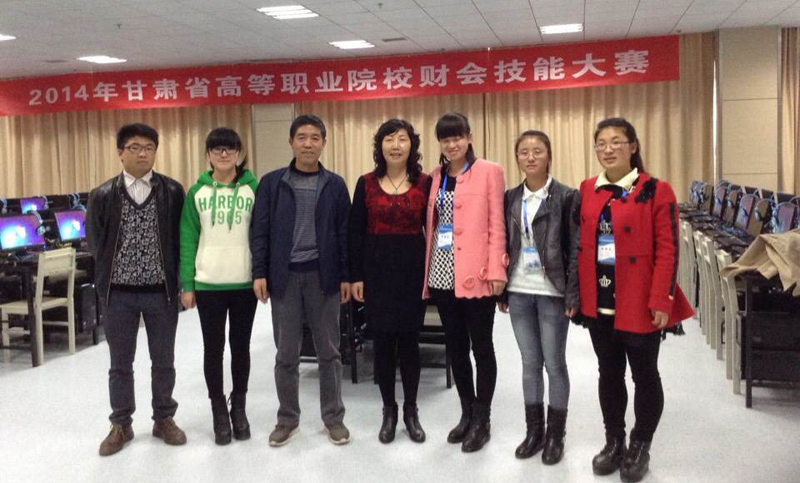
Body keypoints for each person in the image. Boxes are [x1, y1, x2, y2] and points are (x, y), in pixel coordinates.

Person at [576, 118, 693, 482]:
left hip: (639, 301)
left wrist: (662, 299)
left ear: (633, 146)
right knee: (608, 373)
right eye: (601, 143)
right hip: (599, 301)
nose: (608, 149)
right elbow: (580, 246)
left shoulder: (656, 189)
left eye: (616, 142)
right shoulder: (588, 188)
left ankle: (641, 443)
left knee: (644, 375)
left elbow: (668, 249)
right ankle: (614, 440)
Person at [250, 114, 352, 446]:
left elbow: (344, 234)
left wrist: (346, 276)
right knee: (286, 354)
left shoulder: (334, 185)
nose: (308, 144)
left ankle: (333, 417)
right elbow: (260, 231)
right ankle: (287, 419)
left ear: (324, 143)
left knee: (330, 353)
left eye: (315, 138)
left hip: (323, 277)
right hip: (285, 278)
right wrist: (259, 272)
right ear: (291, 142)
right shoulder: (272, 183)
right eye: (302, 137)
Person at [87, 123, 186, 456]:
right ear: (120, 153)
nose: (143, 153)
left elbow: (180, 239)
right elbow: (95, 243)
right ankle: (121, 424)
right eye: (134, 147)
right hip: (118, 294)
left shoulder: (172, 191)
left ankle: (163, 418)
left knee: (164, 360)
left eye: (148, 147)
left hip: (161, 292)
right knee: (120, 364)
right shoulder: (102, 195)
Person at [422, 112, 507, 453]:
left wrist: (498, 269)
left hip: (477, 273)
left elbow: (497, 224)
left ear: (469, 137)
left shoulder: (489, 171)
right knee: (455, 347)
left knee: (481, 347)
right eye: (445, 139)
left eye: (457, 137)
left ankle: (482, 419)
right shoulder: (436, 176)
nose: (451, 144)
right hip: (442, 272)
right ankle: (466, 412)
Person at [498, 130, 580, 465]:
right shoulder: (510, 197)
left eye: (537, 151)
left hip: (551, 294)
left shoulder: (566, 196)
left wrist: (572, 294)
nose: (530, 157)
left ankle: (556, 436)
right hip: (519, 291)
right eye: (524, 152)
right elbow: (505, 244)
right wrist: (503, 288)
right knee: (529, 363)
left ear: (548, 155)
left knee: (554, 363)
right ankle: (535, 432)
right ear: (517, 157)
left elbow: (574, 249)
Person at [349, 119, 429, 444]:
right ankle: (389, 410)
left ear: (412, 145)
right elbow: (354, 233)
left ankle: (411, 410)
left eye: (402, 139)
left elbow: (436, 228)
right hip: (377, 273)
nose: (396, 146)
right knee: (381, 344)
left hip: (412, 272)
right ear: (379, 146)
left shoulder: (425, 183)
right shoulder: (366, 183)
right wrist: (356, 276)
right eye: (389, 139)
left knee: (410, 344)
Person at [179, 127, 259, 445]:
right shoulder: (196, 193)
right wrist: (188, 284)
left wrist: (261, 275)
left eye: (230, 148)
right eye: (217, 149)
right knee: (213, 350)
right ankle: (218, 409)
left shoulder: (253, 189)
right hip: (208, 284)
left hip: (244, 283)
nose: (224, 154)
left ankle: (238, 406)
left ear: (239, 153)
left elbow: (261, 235)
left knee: (241, 348)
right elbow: (188, 239)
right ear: (208, 155)